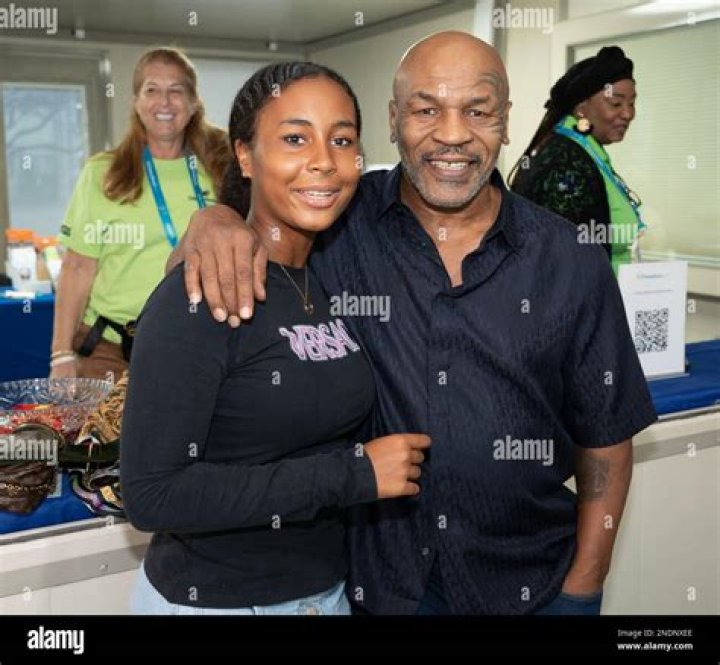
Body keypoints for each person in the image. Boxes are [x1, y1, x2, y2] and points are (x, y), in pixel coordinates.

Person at [168, 32, 657, 615]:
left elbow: (607, 438)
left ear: (505, 120)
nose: (452, 134)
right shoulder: (337, 226)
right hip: (376, 587)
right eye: (426, 110)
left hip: (531, 585)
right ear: (394, 119)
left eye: (477, 110)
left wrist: (583, 589)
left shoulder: (570, 260)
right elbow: (245, 235)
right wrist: (215, 219)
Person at [120, 62, 430, 616]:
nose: (323, 161)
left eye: (342, 140)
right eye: (294, 138)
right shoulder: (204, 291)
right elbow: (152, 495)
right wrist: (353, 475)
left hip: (324, 595)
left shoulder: (328, 274)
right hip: (219, 605)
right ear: (245, 155)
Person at [50, 47, 230, 381]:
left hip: (196, 342)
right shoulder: (103, 172)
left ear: (193, 103)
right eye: (152, 90)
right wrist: (61, 354)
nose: (164, 102)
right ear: (136, 101)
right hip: (111, 348)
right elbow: (77, 268)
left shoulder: (221, 169)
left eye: (176, 90)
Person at [509, 46, 643, 276]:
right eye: (616, 103)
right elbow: (566, 268)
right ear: (581, 109)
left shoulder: (584, 151)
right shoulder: (566, 163)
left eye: (631, 103)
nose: (628, 114)